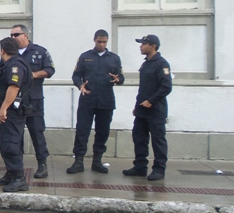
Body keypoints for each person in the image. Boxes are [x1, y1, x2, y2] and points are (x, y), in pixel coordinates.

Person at [68, 30, 125, 174]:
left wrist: (118, 79)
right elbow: (76, 75)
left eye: (104, 42)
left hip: (106, 101)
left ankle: (97, 161)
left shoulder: (114, 58)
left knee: (103, 131)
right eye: (99, 42)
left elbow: (121, 77)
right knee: (82, 131)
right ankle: (78, 161)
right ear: (94, 40)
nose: (102, 44)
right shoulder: (85, 57)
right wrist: (80, 85)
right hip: (87, 99)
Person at [123, 34, 173, 181]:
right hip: (142, 110)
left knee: (158, 141)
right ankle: (140, 167)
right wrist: (137, 107)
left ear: (153, 46)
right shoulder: (145, 64)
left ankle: (159, 170)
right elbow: (143, 89)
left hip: (155, 110)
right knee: (139, 138)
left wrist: (151, 101)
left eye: (144, 44)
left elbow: (166, 87)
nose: (141, 46)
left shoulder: (162, 64)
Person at [11, 24, 55, 178]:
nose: (13, 38)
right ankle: (16, 167)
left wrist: (33, 75)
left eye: (16, 35)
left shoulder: (39, 51)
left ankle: (42, 164)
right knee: (16, 135)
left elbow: (50, 70)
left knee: (37, 133)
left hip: (34, 100)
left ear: (25, 35)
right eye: (11, 35)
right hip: (16, 100)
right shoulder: (10, 53)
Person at [0, 37, 32, 192]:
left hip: (11, 112)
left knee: (10, 144)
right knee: (6, 143)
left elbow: (13, 87)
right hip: (9, 111)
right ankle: (11, 173)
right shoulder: (10, 64)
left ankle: (19, 178)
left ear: (2, 50)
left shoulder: (14, 65)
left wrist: (3, 109)